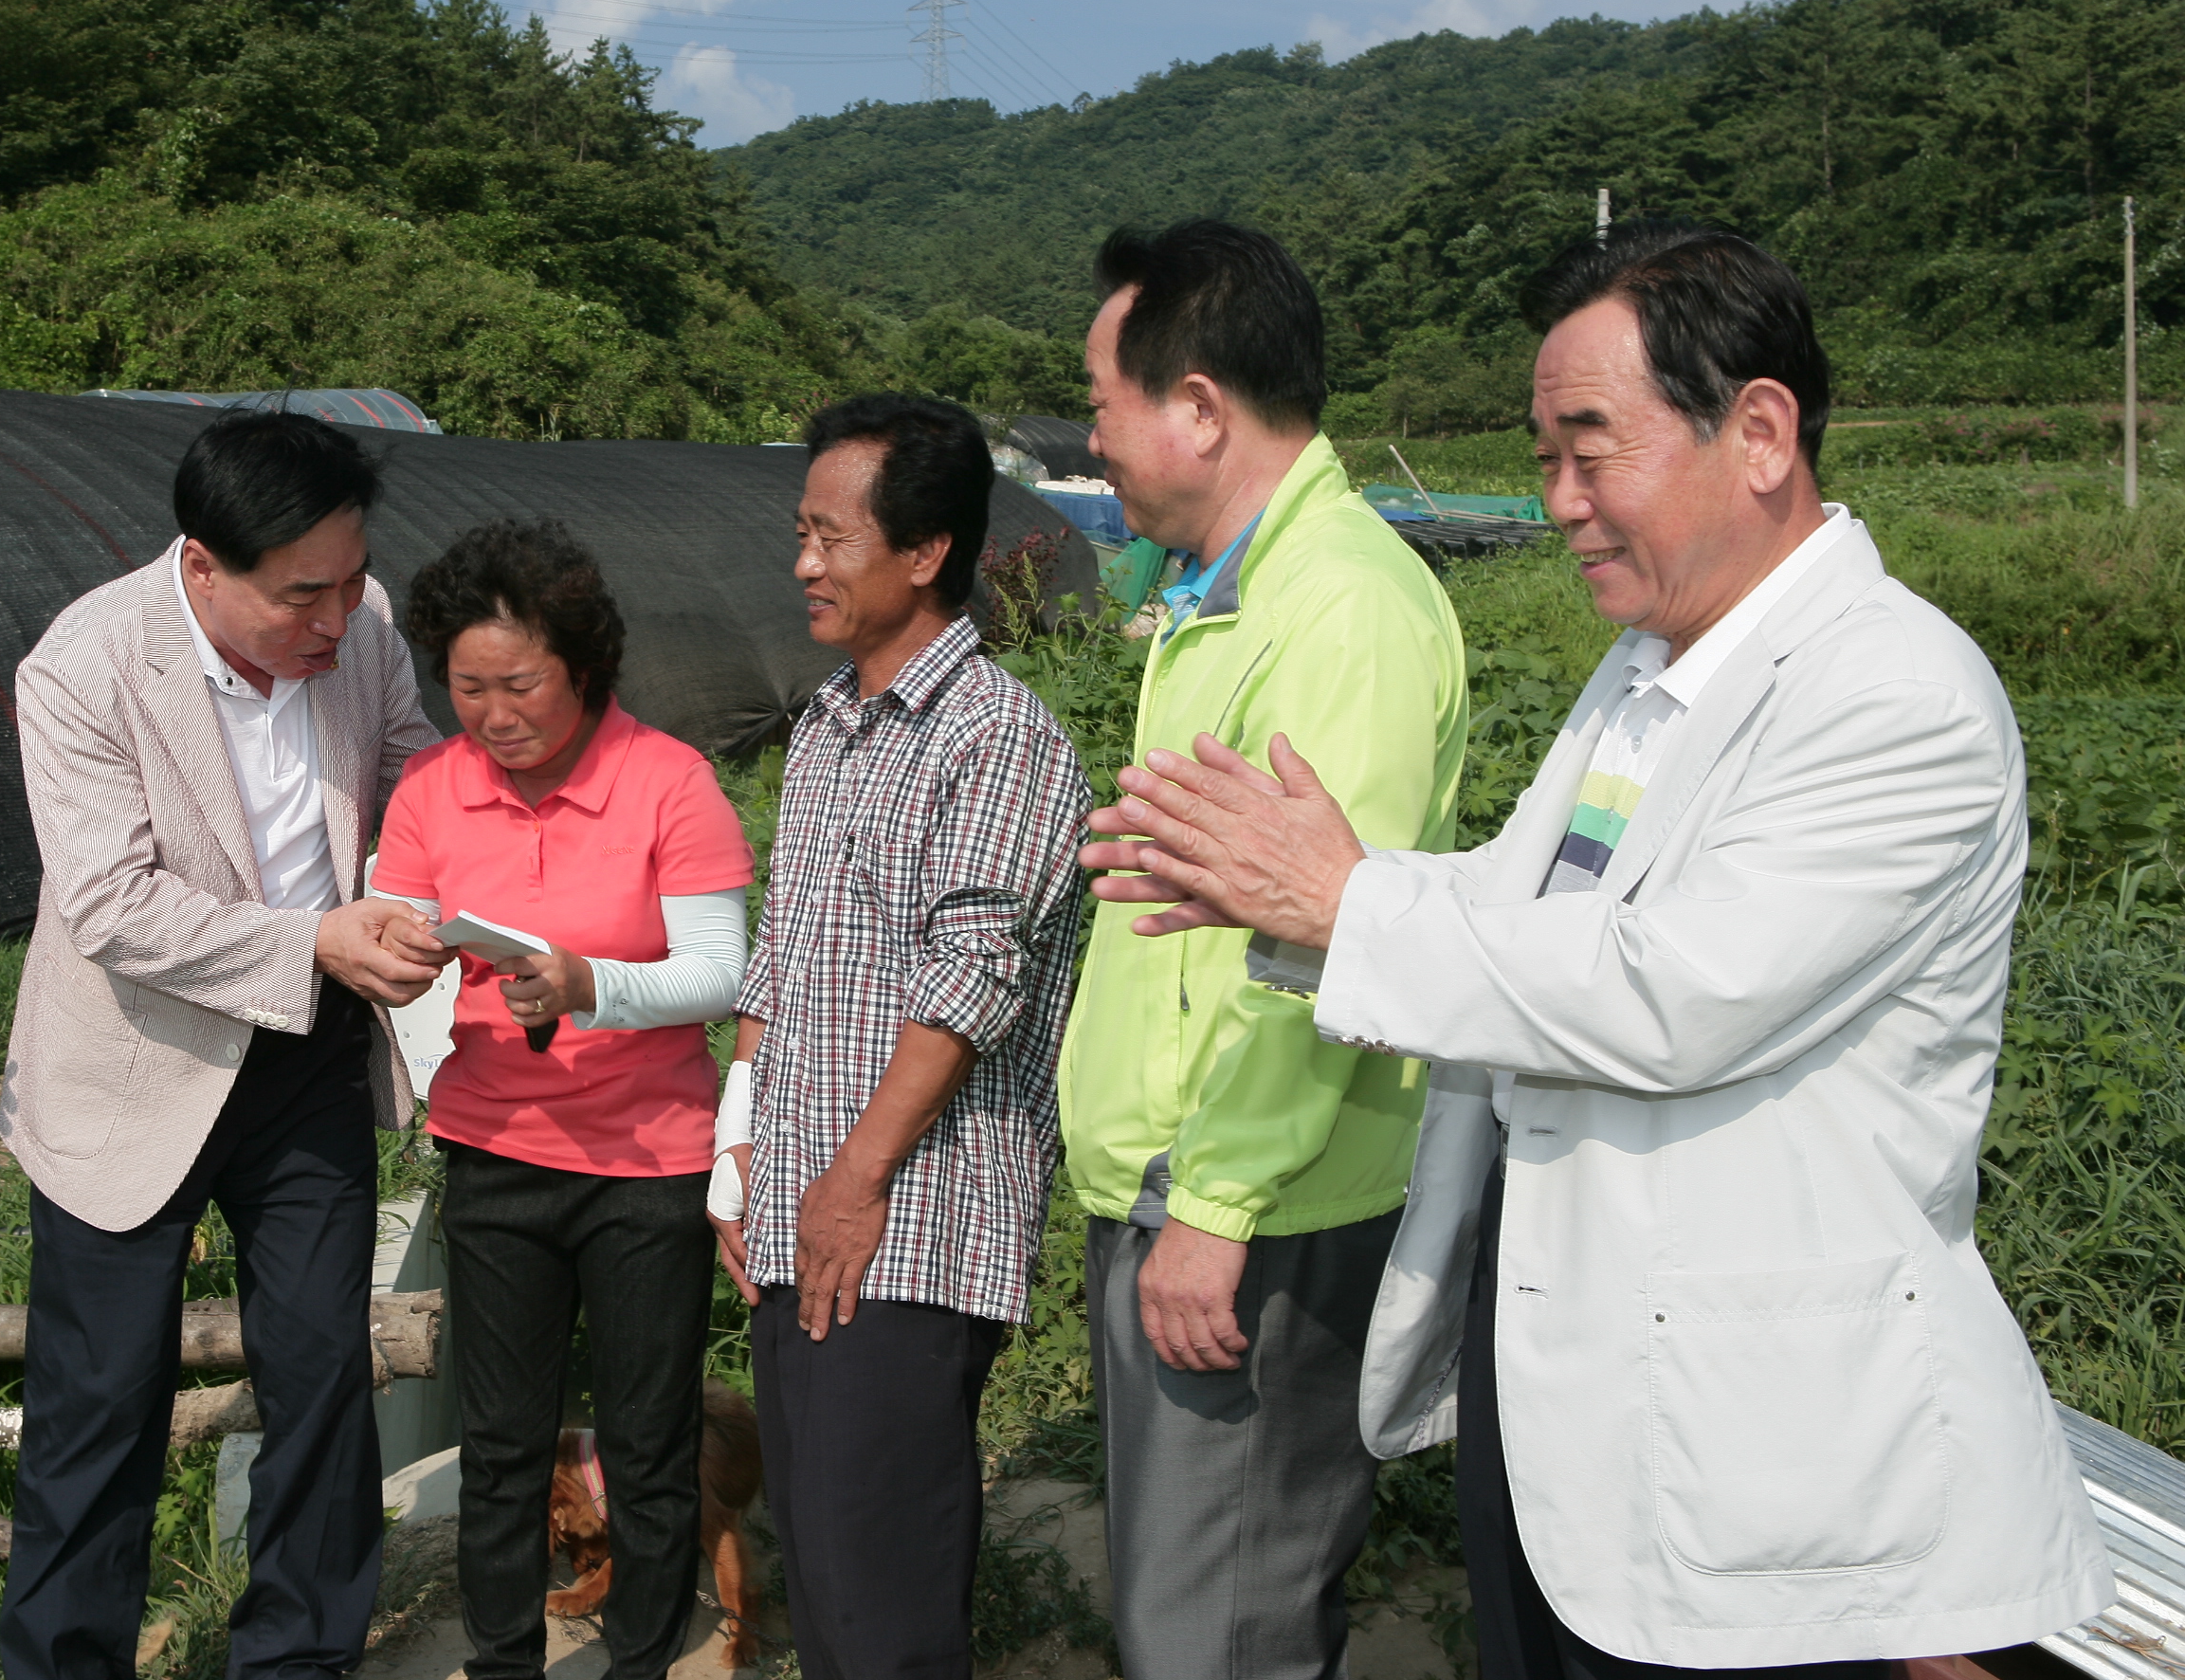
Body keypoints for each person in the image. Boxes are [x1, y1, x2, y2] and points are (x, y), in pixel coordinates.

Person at [1083, 221, 2113, 1680]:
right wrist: (1320, 895)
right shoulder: (1646, 674)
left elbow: (1673, 994)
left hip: (1751, 1433)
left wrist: (1346, 905)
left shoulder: (1896, 696)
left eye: (1590, 448)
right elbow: (1526, 901)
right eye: (1545, 453)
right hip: (1575, 1380)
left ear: (1758, 432)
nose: (1558, 502)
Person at [1057, 222, 1468, 1680]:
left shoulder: (1338, 608)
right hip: (1190, 1187)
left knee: (1216, 1633)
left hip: (1250, 1208)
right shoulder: (1225, 595)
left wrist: (1216, 1207)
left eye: (1102, 402)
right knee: (1188, 1610)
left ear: (1202, 407)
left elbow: (1321, 944)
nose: (1092, 438)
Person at [0, 411, 450, 1679]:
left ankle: (302, 1654)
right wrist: (316, 938)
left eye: (354, 580)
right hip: (133, 1064)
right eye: (303, 593)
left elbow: (413, 770)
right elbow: (111, 904)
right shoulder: (85, 665)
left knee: (318, 1375)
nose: (338, 616)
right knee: (99, 1408)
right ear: (203, 566)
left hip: (307, 1059)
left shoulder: (358, 628)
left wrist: (443, 871)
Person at [708, 393, 1090, 1680]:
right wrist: (737, 1148)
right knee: (823, 1569)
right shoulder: (826, 725)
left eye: (832, 536)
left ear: (924, 553)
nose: (805, 560)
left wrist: (854, 1179)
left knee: (884, 1599)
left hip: (905, 1226)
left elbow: (976, 975)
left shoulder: (997, 739)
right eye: (800, 532)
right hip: (804, 1210)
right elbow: (780, 954)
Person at [367, 518, 756, 1680]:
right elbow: (393, 922)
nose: (493, 713)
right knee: (501, 1440)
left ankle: (639, 1654)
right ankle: (502, 1660)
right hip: (498, 1150)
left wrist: (592, 983)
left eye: (520, 683)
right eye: (467, 686)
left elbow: (721, 970)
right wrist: (408, 961)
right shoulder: (433, 789)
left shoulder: (667, 782)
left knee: (645, 1437)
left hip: (647, 1161)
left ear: (582, 664)